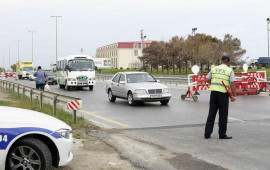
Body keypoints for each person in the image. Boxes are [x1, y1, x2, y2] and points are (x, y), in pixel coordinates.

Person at [204, 56, 237, 139]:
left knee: (211, 113)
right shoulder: (229, 70)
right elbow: (232, 83)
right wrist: (234, 95)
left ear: (221, 61)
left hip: (213, 93)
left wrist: (214, 83)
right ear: (228, 63)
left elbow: (207, 80)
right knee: (223, 115)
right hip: (223, 93)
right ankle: (222, 134)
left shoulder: (214, 69)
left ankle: (207, 134)